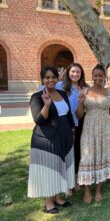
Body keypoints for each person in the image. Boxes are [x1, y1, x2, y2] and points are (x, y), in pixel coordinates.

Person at [28, 66, 75, 214]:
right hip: (46, 139)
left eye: (53, 77)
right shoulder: (36, 96)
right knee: (50, 169)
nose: (50, 80)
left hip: (64, 137)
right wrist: (47, 105)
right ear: (42, 79)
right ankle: (48, 202)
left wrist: (72, 130)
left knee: (61, 167)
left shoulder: (62, 93)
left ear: (57, 78)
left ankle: (57, 197)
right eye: (47, 77)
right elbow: (39, 120)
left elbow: (68, 115)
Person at [77, 64, 110, 203]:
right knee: (87, 157)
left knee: (104, 156)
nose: (98, 78)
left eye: (100, 75)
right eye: (95, 75)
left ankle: (99, 189)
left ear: (104, 77)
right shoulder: (85, 91)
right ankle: (87, 190)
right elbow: (78, 115)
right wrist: (80, 102)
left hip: (106, 129)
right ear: (92, 76)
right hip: (89, 128)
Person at [56, 63, 88, 190]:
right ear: (68, 73)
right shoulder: (60, 86)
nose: (75, 74)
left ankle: (74, 180)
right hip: (64, 124)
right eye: (73, 72)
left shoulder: (85, 88)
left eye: (78, 72)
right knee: (66, 152)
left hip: (79, 123)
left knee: (77, 152)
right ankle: (66, 182)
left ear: (81, 74)